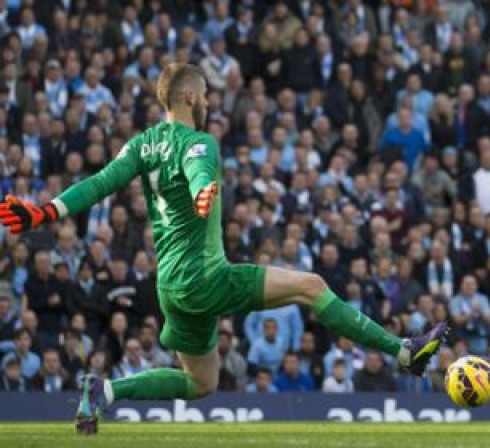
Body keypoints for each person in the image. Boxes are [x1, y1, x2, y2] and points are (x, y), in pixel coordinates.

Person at [0, 63, 448, 435]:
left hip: (170, 285)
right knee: (311, 285)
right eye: (206, 95)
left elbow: (99, 183)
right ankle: (404, 351)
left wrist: (44, 213)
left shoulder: (140, 145)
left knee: (201, 383)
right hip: (205, 276)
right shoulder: (200, 142)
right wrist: (201, 190)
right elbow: (198, 171)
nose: (210, 102)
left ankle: (104, 392)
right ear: (191, 98)